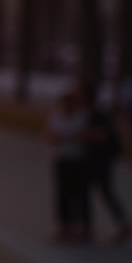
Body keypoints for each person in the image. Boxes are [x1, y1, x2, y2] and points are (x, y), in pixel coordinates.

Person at [86, 96, 132, 243]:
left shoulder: (97, 115)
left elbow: (102, 135)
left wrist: (81, 134)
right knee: (104, 192)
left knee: (98, 192)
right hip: (100, 161)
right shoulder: (96, 113)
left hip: (99, 161)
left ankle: (87, 228)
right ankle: (122, 224)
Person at [48, 92, 91, 243]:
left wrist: (65, 137)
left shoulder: (82, 117)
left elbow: (85, 136)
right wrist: (71, 136)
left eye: (70, 103)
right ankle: (65, 226)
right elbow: (50, 136)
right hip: (62, 160)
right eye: (65, 104)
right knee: (62, 194)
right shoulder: (56, 117)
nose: (67, 107)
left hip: (78, 160)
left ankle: (84, 228)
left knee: (80, 194)